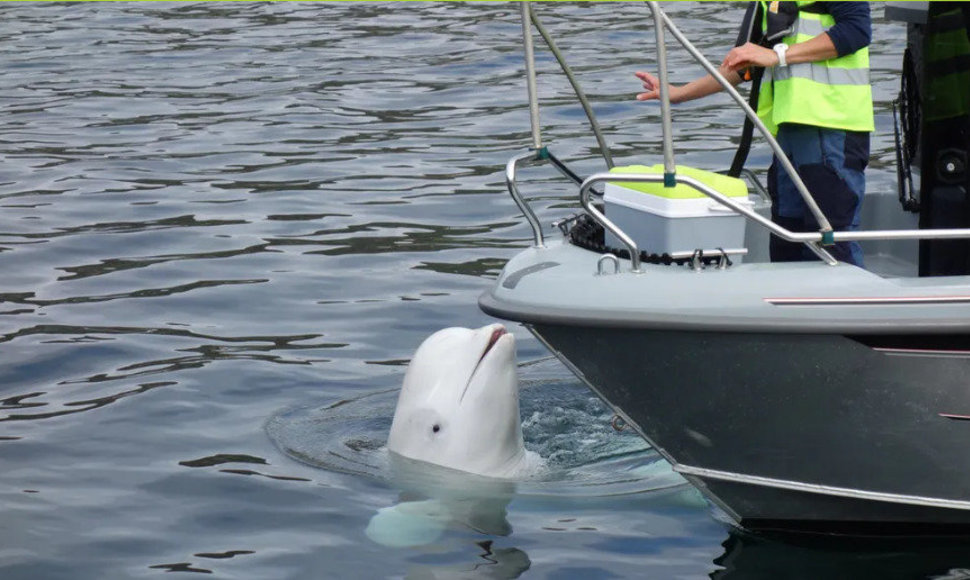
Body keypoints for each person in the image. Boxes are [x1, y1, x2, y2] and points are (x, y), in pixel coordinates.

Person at [635, 2, 873, 266]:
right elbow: (743, 65)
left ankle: (845, 304)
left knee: (832, 243)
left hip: (833, 129)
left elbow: (856, 30)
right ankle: (789, 304)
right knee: (788, 240)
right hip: (789, 134)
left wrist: (778, 55)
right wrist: (679, 93)